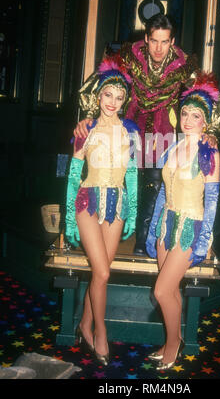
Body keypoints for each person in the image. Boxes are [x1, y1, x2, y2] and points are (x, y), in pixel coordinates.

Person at [74, 14, 220, 254]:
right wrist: (89, 114)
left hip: (164, 130)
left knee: (157, 184)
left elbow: (207, 96)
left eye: (164, 42)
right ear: (146, 38)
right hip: (131, 126)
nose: (158, 48)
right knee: (124, 180)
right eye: (154, 41)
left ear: (172, 41)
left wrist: (211, 131)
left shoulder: (184, 64)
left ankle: (144, 243)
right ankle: (105, 239)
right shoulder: (130, 56)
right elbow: (102, 82)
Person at [65, 54, 139, 365]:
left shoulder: (131, 130)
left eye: (119, 97)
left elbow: (133, 174)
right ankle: (100, 331)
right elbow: (73, 173)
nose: (113, 101)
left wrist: (132, 211)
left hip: (118, 205)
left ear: (125, 101)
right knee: (104, 270)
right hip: (88, 201)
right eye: (108, 94)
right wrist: (69, 216)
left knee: (100, 274)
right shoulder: (85, 129)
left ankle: (84, 323)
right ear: (98, 96)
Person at [145, 72, 220, 370]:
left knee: (161, 290)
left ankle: (174, 344)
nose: (188, 120)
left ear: (206, 121)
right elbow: (164, 193)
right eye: (186, 113)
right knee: (171, 290)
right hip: (167, 223)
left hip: (191, 226)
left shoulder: (209, 149)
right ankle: (171, 339)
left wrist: (204, 241)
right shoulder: (172, 147)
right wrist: (154, 230)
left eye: (196, 115)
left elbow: (212, 200)